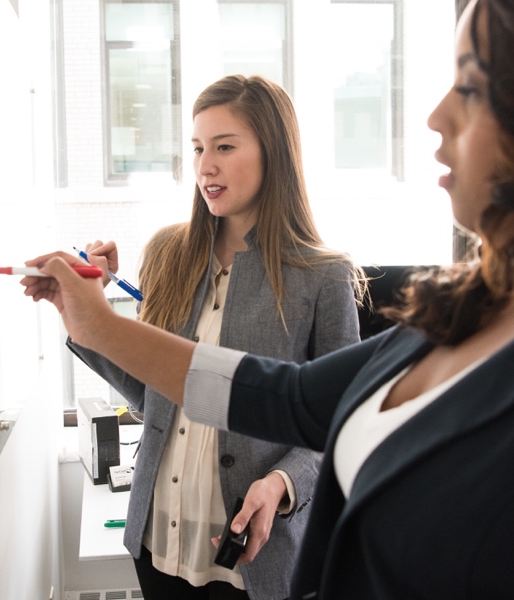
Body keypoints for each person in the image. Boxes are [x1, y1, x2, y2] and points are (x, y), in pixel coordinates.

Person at [26, 0, 514, 597]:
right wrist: (91, 322)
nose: (435, 118)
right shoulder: (469, 308)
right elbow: (288, 396)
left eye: (471, 86)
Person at [69, 74, 365, 600]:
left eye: (225, 147)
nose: (205, 166)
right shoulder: (167, 253)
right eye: (198, 147)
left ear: (274, 153)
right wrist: (83, 313)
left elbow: (340, 427)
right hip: (158, 537)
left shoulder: (324, 276)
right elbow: (152, 396)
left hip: (254, 556)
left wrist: (281, 486)